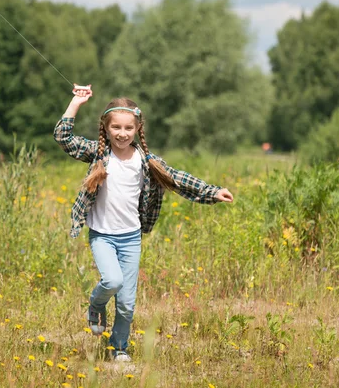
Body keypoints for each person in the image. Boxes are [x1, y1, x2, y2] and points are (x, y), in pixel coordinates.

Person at [54, 86, 234, 362]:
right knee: (112, 280)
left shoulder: (146, 162)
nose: (122, 133)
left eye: (128, 127)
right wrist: (76, 102)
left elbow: (179, 179)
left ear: (138, 128)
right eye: (116, 127)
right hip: (102, 235)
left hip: (130, 238)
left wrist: (212, 192)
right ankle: (96, 303)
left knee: (126, 304)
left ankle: (118, 349)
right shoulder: (98, 154)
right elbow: (63, 137)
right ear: (106, 127)